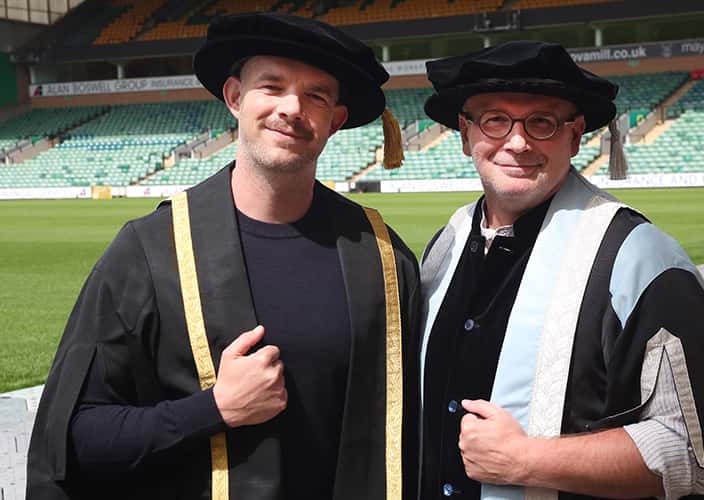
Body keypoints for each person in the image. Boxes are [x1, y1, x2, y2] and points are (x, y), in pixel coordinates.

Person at [27, 13, 420, 500]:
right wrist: (214, 408)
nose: (292, 108)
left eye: (316, 95)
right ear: (235, 97)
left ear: (335, 120)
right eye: (271, 87)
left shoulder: (381, 257)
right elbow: (75, 438)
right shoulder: (150, 251)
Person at [418, 41, 704, 500]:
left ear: (574, 137)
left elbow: (696, 452)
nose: (517, 142)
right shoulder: (445, 246)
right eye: (495, 119)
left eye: (542, 122)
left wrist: (526, 460)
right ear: (464, 132)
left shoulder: (638, 257)